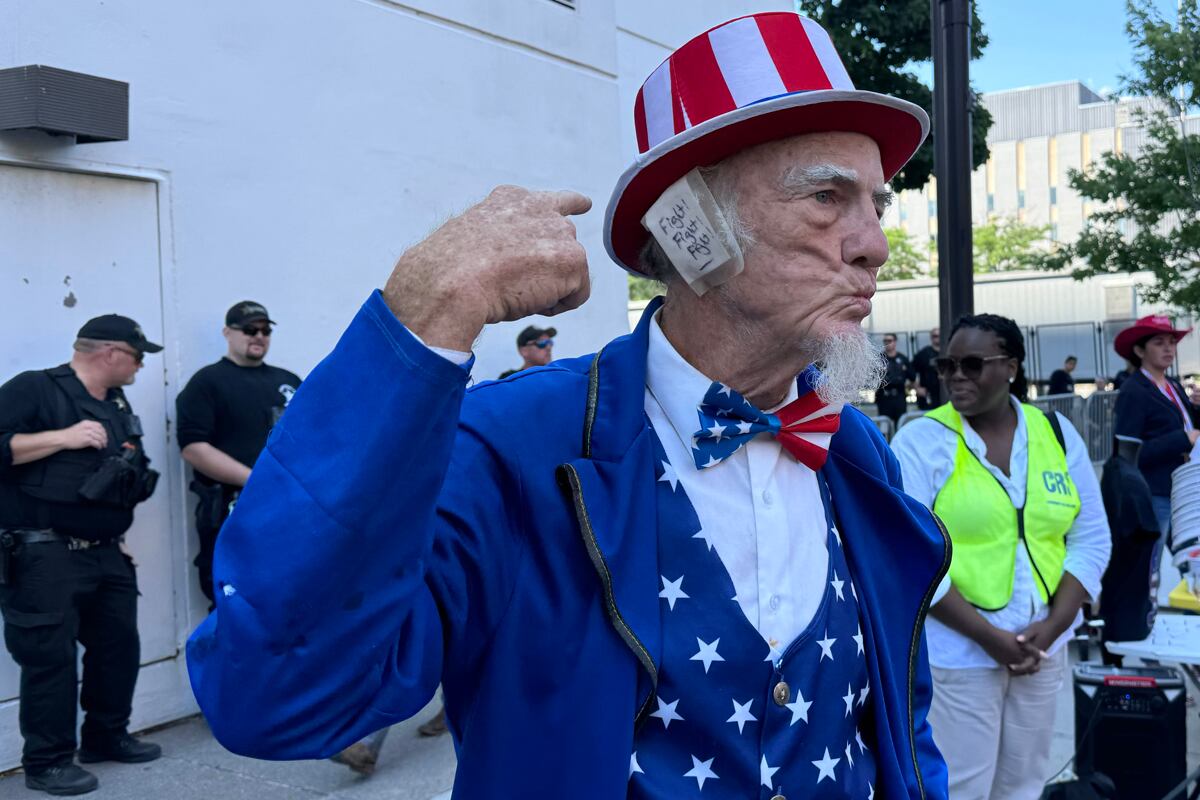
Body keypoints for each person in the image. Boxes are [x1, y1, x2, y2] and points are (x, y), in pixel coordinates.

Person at [188, 13, 950, 798]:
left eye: (876, 205)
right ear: (691, 229)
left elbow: (900, 719)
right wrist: (422, 314)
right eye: (826, 196)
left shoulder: (856, 450)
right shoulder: (512, 442)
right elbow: (272, 700)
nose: (875, 245)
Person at [891, 314, 1110, 800]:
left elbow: (1091, 537)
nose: (956, 377)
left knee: (1024, 784)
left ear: (1010, 366)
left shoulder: (1056, 432)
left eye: (972, 364)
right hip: (959, 652)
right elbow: (910, 556)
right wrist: (990, 639)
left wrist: (1052, 627)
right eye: (947, 366)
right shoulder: (921, 442)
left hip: (1042, 647)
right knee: (961, 785)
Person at [0, 315, 165, 796]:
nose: (140, 366)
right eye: (137, 356)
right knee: (50, 658)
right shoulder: (35, 389)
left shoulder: (116, 404)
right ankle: (47, 762)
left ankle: (106, 736)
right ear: (111, 352)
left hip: (106, 552)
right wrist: (63, 437)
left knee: (118, 646)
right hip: (42, 553)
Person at [175, 302, 301, 608]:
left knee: (290, 596)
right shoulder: (207, 382)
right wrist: (255, 481)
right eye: (249, 329)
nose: (258, 336)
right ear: (227, 333)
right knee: (235, 601)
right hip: (234, 509)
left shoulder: (287, 382)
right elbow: (194, 448)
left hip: (288, 508)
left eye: (265, 330)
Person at [1112, 315, 1199, 602]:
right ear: (1139, 351)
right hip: (1154, 493)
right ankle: (1139, 617)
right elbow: (1127, 454)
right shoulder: (1134, 391)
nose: (1169, 348)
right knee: (1149, 564)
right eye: (1159, 343)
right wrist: (1182, 439)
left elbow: (1187, 427)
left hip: (1181, 491)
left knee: (1191, 559)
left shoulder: (1172, 385)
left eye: (1171, 342)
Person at [876, 332, 913, 424]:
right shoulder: (879, 359)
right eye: (885, 341)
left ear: (895, 342)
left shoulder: (903, 359)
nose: (887, 343)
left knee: (901, 423)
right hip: (884, 397)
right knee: (884, 425)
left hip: (899, 396)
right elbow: (873, 377)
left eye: (889, 340)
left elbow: (912, 377)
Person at [913, 327, 943, 410]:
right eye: (935, 336)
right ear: (931, 337)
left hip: (946, 393)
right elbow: (911, 373)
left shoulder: (947, 352)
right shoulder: (923, 354)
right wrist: (917, 388)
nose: (937, 338)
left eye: (939, 336)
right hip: (928, 395)